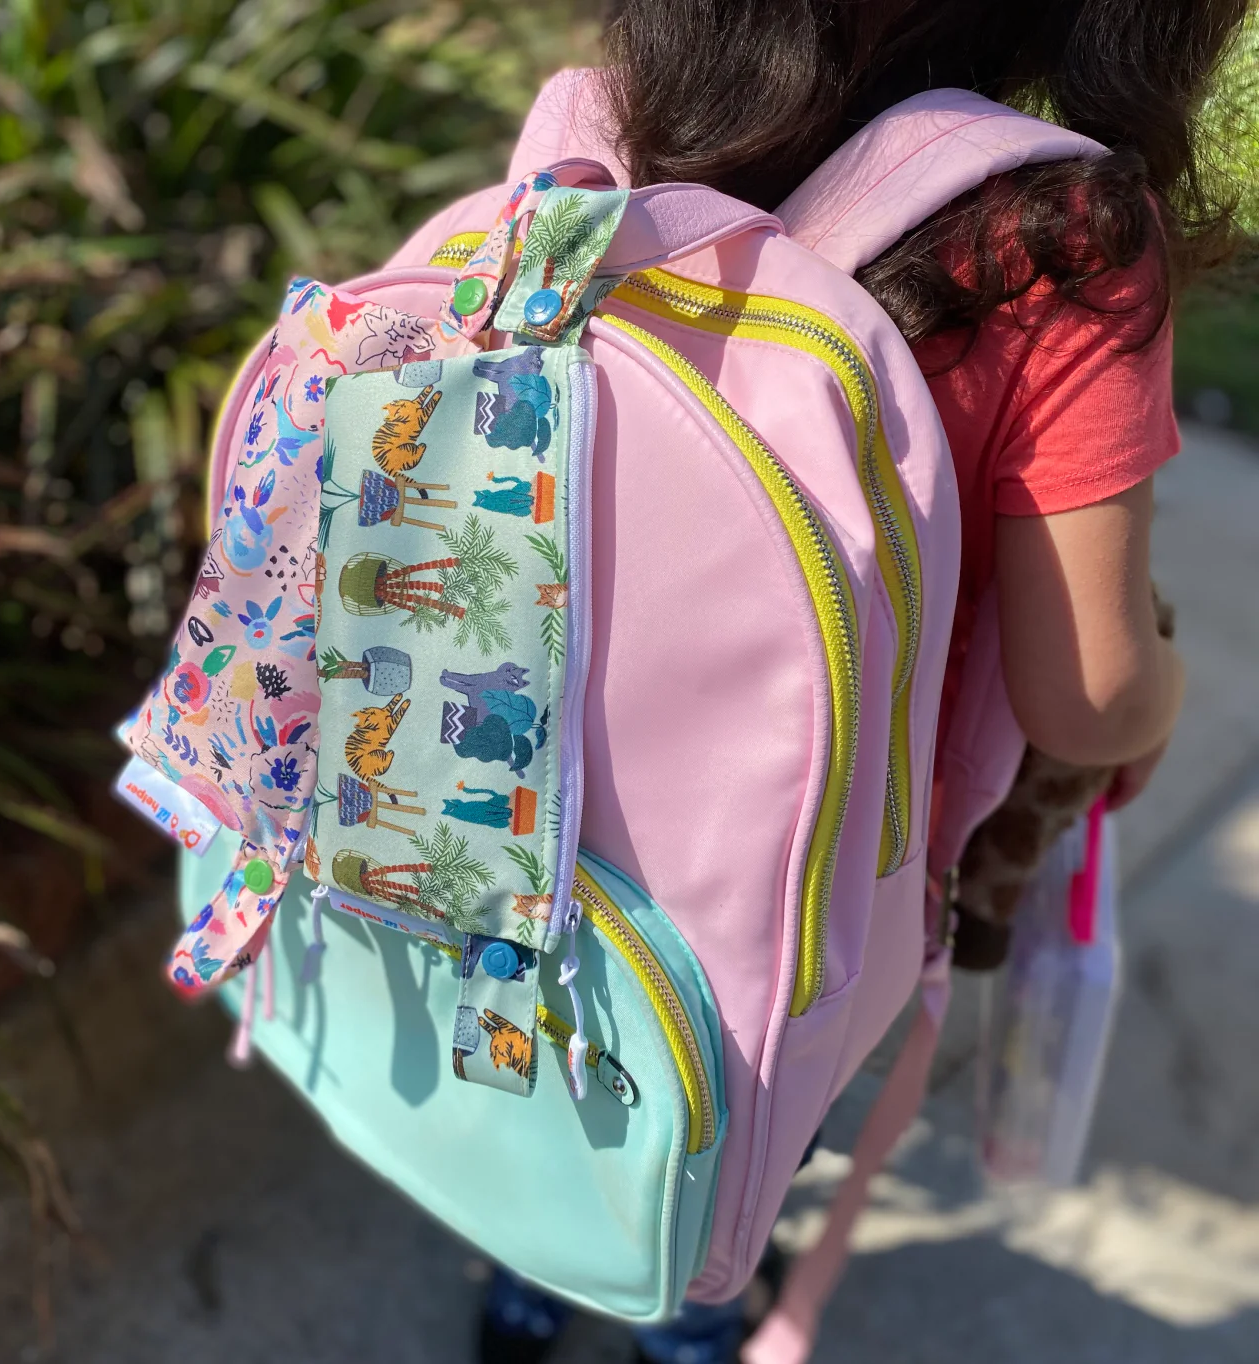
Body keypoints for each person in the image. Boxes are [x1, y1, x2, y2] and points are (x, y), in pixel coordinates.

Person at [478, 1, 1251, 1360]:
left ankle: (525, 1284)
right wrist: (1168, 681)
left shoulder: (591, 124)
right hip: (803, 891)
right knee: (733, 1141)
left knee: (529, 1053)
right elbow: (1088, 692)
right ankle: (689, 1320)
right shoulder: (1054, 239)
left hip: (539, 785)